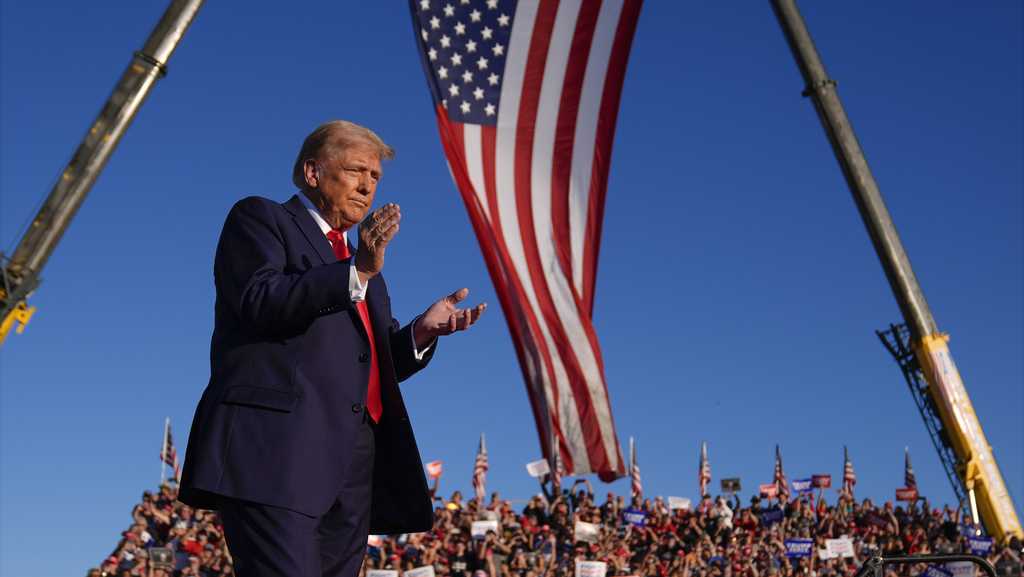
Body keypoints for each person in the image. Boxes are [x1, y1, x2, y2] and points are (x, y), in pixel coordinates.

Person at [179, 120, 487, 577]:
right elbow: (260, 300)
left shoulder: (364, 269)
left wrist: (420, 333)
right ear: (312, 173)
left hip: (351, 470)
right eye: (356, 170)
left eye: (376, 177)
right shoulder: (261, 219)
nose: (367, 186)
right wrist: (356, 271)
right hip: (275, 456)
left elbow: (368, 364)